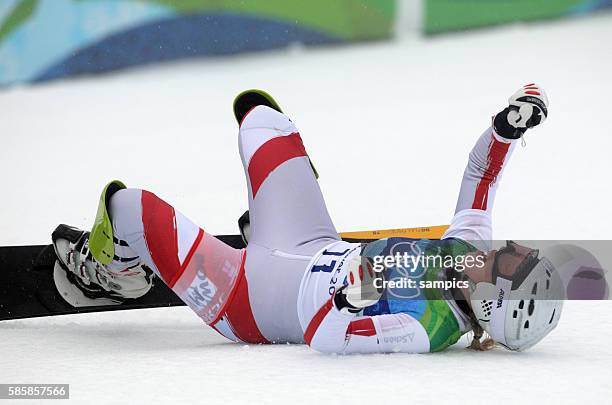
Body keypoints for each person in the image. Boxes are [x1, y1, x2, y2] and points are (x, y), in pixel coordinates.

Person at [52, 85, 563, 353]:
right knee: (261, 118)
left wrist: (349, 300)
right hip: (307, 240)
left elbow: (324, 336)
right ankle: (260, 222)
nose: (505, 250)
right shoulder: (465, 255)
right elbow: (481, 177)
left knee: (130, 206)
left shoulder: (424, 328)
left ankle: (113, 276)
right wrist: (506, 130)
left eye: (509, 261)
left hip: (251, 299)